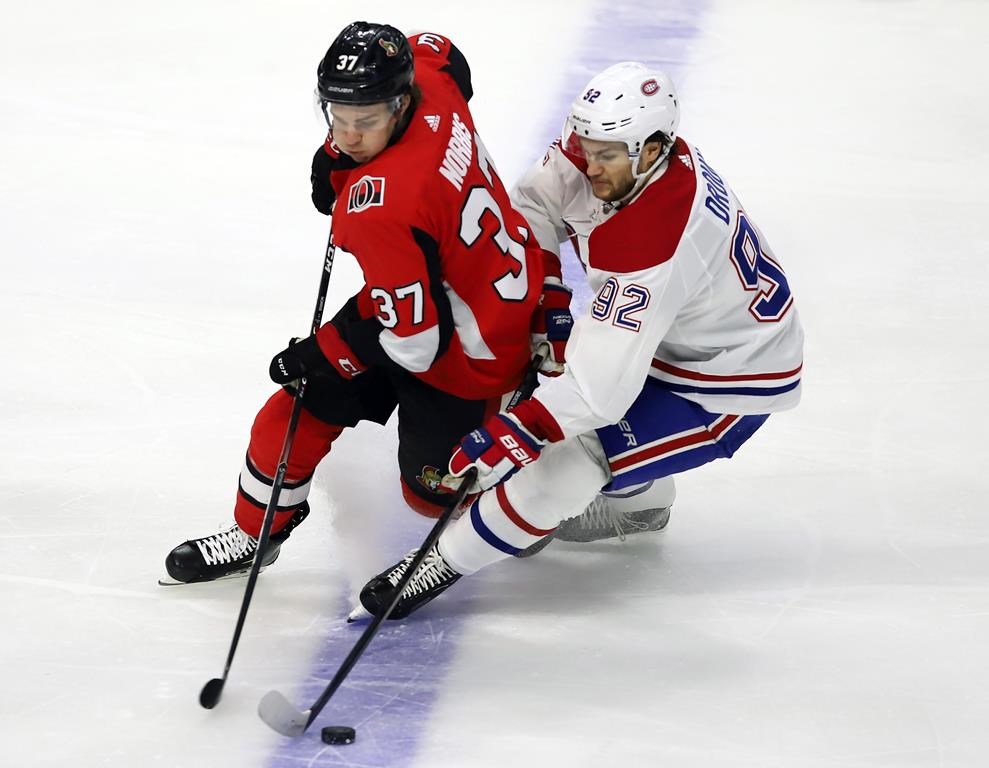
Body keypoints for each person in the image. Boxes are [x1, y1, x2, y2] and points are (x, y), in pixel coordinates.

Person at [355, 61, 805, 619]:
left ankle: (437, 564)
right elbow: (535, 204)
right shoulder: (612, 149)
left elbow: (597, 393)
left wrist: (516, 432)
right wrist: (548, 289)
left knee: (568, 463)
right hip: (680, 335)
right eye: (586, 147)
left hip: (726, 377)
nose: (589, 165)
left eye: (606, 155)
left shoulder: (655, 235)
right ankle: (640, 497)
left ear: (652, 149)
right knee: (563, 409)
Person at [161, 21, 572, 584]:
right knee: (292, 412)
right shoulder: (428, 79)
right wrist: (340, 151)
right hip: (447, 288)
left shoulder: (384, 207)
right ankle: (255, 534)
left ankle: (559, 490)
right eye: (339, 117)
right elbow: (444, 52)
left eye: (367, 121)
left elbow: (417, 344)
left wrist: (321, 351)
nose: (351, 135)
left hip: (477, 349)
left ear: (399, 105)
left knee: (433, 495)